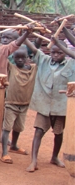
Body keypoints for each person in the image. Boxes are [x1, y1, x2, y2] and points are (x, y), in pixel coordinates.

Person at [24, 37, 75, 172]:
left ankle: (54, 157)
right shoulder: (44, 60)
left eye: (60, 52)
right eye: (53, 52)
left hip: (61, 107)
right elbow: (34, 49)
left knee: (58, 133)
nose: (56, 55)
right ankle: (34, 161)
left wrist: (59, 42)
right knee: (38, 131)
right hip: (44, 105)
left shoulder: (72, 64)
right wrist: (25, 35)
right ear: (49, 52)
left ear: (65, 52)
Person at [0, 46, 37, 164]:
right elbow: (2, 57)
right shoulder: (11, 68)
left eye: (23, 57)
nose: (20, 60)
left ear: (27, 58)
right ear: (13, 58)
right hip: (11, 104)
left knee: (19, 127)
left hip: (24, 105)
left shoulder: (33, 69)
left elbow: (38, 52)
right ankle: (4, 152)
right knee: (7, 128)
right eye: (17, 57)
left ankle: (14, 146)